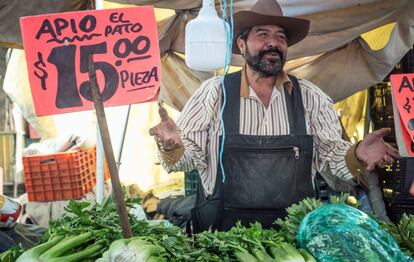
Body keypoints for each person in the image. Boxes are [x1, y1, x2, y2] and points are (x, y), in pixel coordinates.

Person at [149, 0, 401, 233]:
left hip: (291, 237)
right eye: (263, 35)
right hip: (222, 237)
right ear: (241, 45)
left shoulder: (312, 98)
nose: (273, 42)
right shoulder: (213, 94)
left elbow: (332, 161)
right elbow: (187, 160)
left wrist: (357, 154)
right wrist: (173, 146)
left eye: (280, 36)